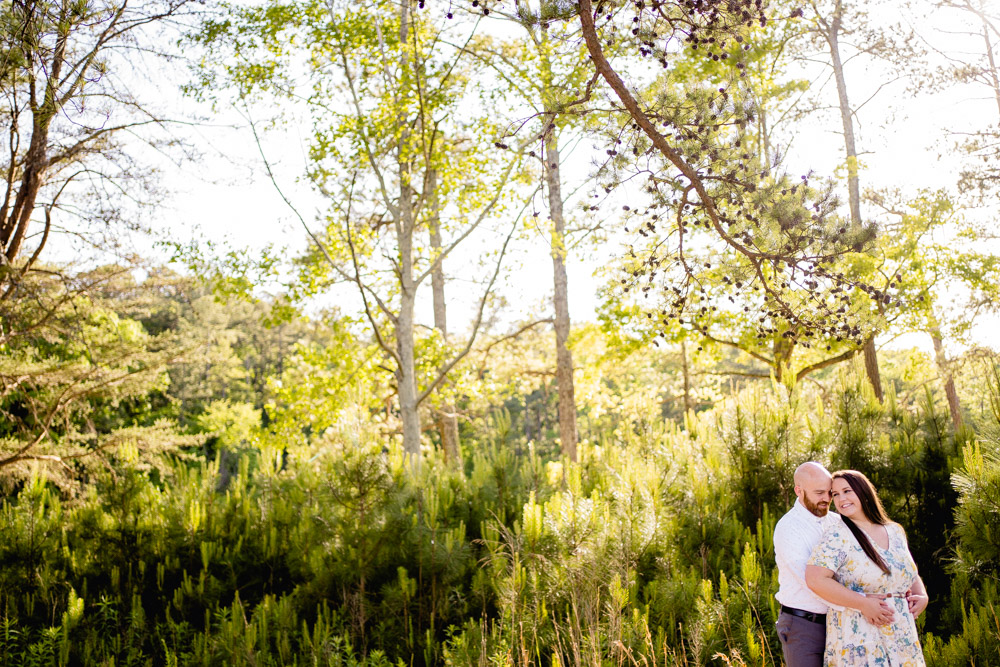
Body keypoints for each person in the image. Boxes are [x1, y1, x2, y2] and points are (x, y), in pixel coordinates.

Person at [773, 462, 894, 667]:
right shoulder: (788, 528)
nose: (827, 499)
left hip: (842, 622)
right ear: (798, 491)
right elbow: (811, 582)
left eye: (830, 492)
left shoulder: (839, 521)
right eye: (819, 493)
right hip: (804, 626)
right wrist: (863, 602)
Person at [805, 470, 929, 666]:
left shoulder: (895, 531)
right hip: (860, 633)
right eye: (835, 494)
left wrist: (921, 595)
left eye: (847, 491)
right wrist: (862, 603)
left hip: (902, 633)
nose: (841, 498)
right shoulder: (837, 535)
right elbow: (815, 579)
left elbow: (908, 572)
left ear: (864, 491)